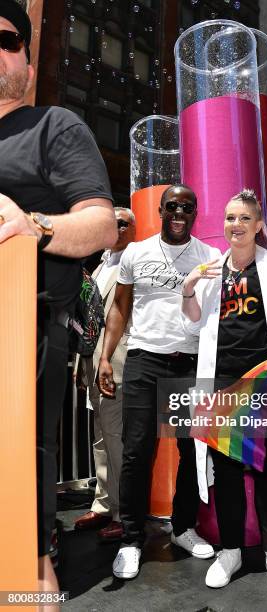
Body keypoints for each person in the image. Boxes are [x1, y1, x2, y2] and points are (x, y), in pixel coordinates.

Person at [0, 0, 117, 599]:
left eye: (5, 38)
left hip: (30, 320)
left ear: (25, 53)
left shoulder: (54, 126)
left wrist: (32, 227)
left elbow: (100, 226)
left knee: (22, 449)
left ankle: (33, 566)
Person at [182, 189, 267, 592]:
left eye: (243, 218)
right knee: (225, 473)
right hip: (222, 383)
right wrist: (188, 288)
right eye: (229, 218)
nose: (235, 225)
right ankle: (231, 550)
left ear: (258, 225)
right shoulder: (210, 270)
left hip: (264, 383)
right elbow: (192, 325)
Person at [98, 184, 220, 580]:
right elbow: (120, 308)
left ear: (196, 212)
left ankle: (183, 528)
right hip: (144, 360)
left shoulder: (209, 257)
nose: (179, 213)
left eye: (187, 207)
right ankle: (132, 540)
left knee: (190, 451)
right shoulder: (136, 252)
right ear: (162, 209)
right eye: (172, 206)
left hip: (189, 364)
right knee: (136, 451)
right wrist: (105, 356)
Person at [75, 208, 135, 542]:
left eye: (124, 222)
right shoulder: (101, 264)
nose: (117, 227)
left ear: (135, 228)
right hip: (91, 363)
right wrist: (80, 364)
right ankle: (102, 504)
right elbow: (87, 321)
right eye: (112, 222)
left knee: (116, 439)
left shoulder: (135, 261)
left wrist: (105, 359)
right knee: (100, 436)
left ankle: (122, 514)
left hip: (116, 363)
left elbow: (124, 317)